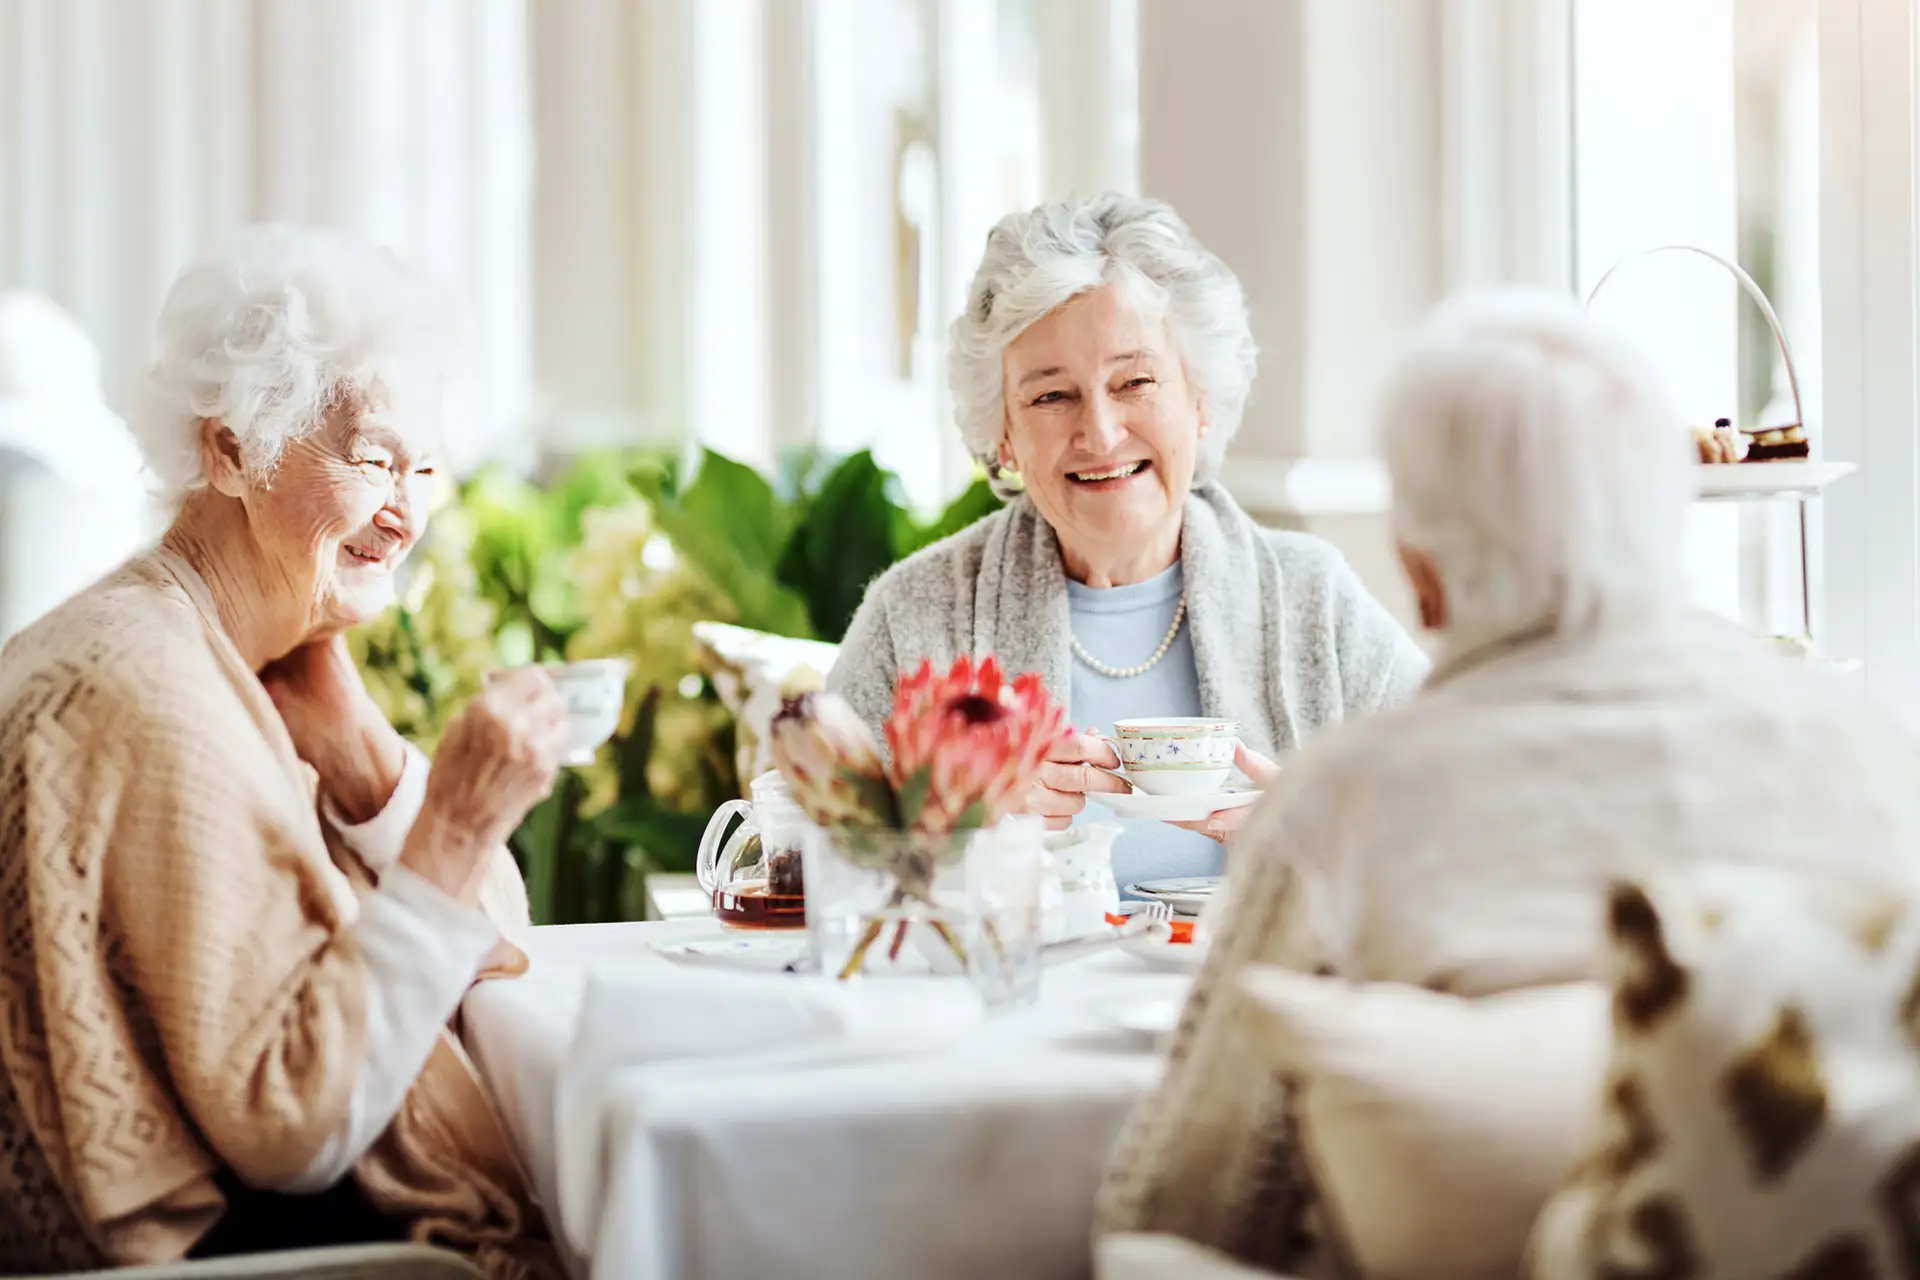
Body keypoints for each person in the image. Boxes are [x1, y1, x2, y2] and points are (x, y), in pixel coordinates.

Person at [1096, 290, 1920, 1271]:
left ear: (1422, 570)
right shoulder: (1870, 747)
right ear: (1667, 508)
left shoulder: (1344, 805)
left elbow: (1193, 1199)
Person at [0, 225, 568, 1277]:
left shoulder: (236, 657)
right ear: (229, 451)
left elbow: (492, 937)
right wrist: (449, 825)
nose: (407, 517)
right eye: (370, 458)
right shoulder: (154, 693)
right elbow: (295, 1120)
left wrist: (366, 764)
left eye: (424, 468)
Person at [828, 193, 1427, 889]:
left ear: (1199, 399)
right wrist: (957, 834)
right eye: (1052, 396)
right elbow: (804, 857)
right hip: (1010, 998)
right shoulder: (916, 614)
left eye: (1135, 381)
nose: (1102, 433)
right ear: (1004, 436)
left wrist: (1320, 836)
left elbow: (1462, 812)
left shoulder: (1312, 600)